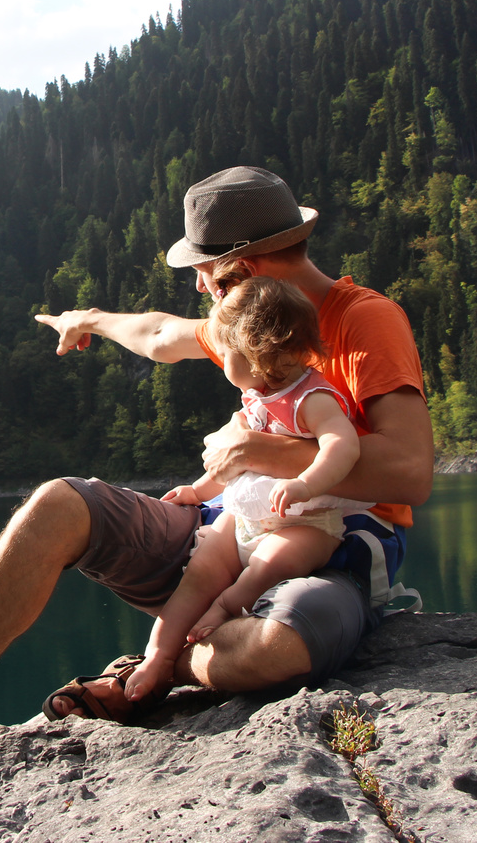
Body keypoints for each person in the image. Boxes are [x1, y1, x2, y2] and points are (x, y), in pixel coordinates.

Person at [0, 166, 431, 777]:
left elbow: (408, 471)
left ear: (244, 271)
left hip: (331, 544)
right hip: (231, 530)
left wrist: (258, 453)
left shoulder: (364, 321)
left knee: (280, 647)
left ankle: (166, 666)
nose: (201, 288)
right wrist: (87, 319)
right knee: (55, 505)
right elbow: (158, 333)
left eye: (205, 273)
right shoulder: (242, 322)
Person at [122, 270, 366, 704]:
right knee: (199, 573)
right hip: (247, 515)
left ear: (255, 354)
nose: (218, 359)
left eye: (223, 350)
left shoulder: (313, 398)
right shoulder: (254, 400)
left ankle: (229, 605)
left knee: (272, 562)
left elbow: (343, 446)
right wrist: (198, 492)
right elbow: (232, 464)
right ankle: (156, 655)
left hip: (306, 522)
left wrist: (306, 484)